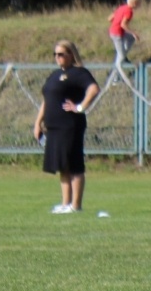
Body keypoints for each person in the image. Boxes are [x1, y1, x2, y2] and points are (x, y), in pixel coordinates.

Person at [31, 40, 101, 214]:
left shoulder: (78, 73)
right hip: (54, 127)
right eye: (55, 54)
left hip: (70, 125)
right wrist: (37, 122)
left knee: (74, 164)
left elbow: (93, 89)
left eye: (61, 54)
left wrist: (80, 107)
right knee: (62, 165)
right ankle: (65, 203)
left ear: (71, 54)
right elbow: (47, 100)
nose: (57, 57)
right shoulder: (54, 75)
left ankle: (76, 205)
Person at [108, 0, 140, 67]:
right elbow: (123, 25)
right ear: (134, 3)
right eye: (139, 3)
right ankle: (115, 75)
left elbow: (109, 18)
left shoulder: (122, 7)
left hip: (114, 31)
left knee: (131, 38)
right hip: (117, 34)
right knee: (121, 56)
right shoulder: (129, 11)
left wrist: (116, 22)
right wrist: (133, 33)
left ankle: (122, 53)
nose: (139, 5)